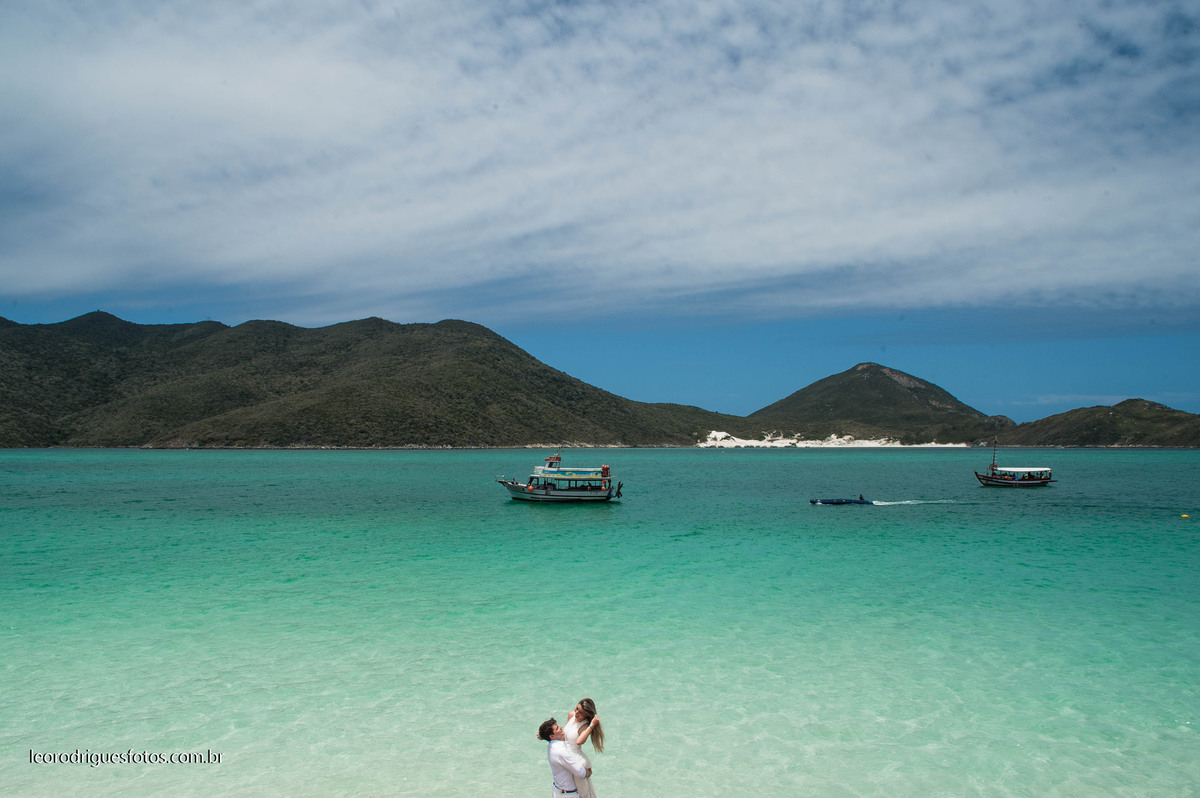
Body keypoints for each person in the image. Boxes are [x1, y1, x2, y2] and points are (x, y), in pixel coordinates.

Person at [538, 718, 591, 797]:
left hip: (557, 790)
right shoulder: (561, 751)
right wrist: (588, 772)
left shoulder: (551, 746)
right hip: (568, 794)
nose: (561, 727)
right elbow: (580, 772)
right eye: (557, 729)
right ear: (552, 736)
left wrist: (542, 736)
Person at [563, 698, 604, 798]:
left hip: (577, 760)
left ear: (586, 715)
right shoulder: (571, 715)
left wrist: (592, 725)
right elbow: (564, 736)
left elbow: (579, 741)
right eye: (576, 709)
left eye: (580, 712)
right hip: (566, 756)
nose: (576, 713)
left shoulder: (585, 726)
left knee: (584, 794)